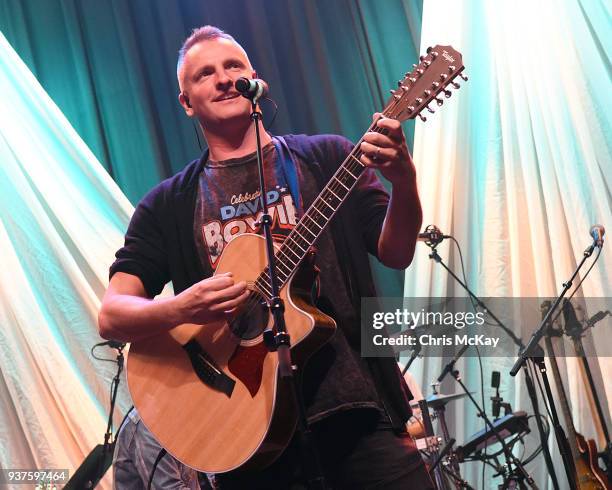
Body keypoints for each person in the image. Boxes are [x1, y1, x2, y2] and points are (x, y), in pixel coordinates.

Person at [100, 25, 432, 489]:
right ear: (186, 101)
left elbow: (395, 254)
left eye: (233, 66)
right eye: (205, 74)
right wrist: (181, 308)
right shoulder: (168, 205)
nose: (223, 78)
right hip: (245, 438)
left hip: (357, 411)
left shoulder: (328, 158)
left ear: (255, 80)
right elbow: (113, 315)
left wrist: (403, 181)